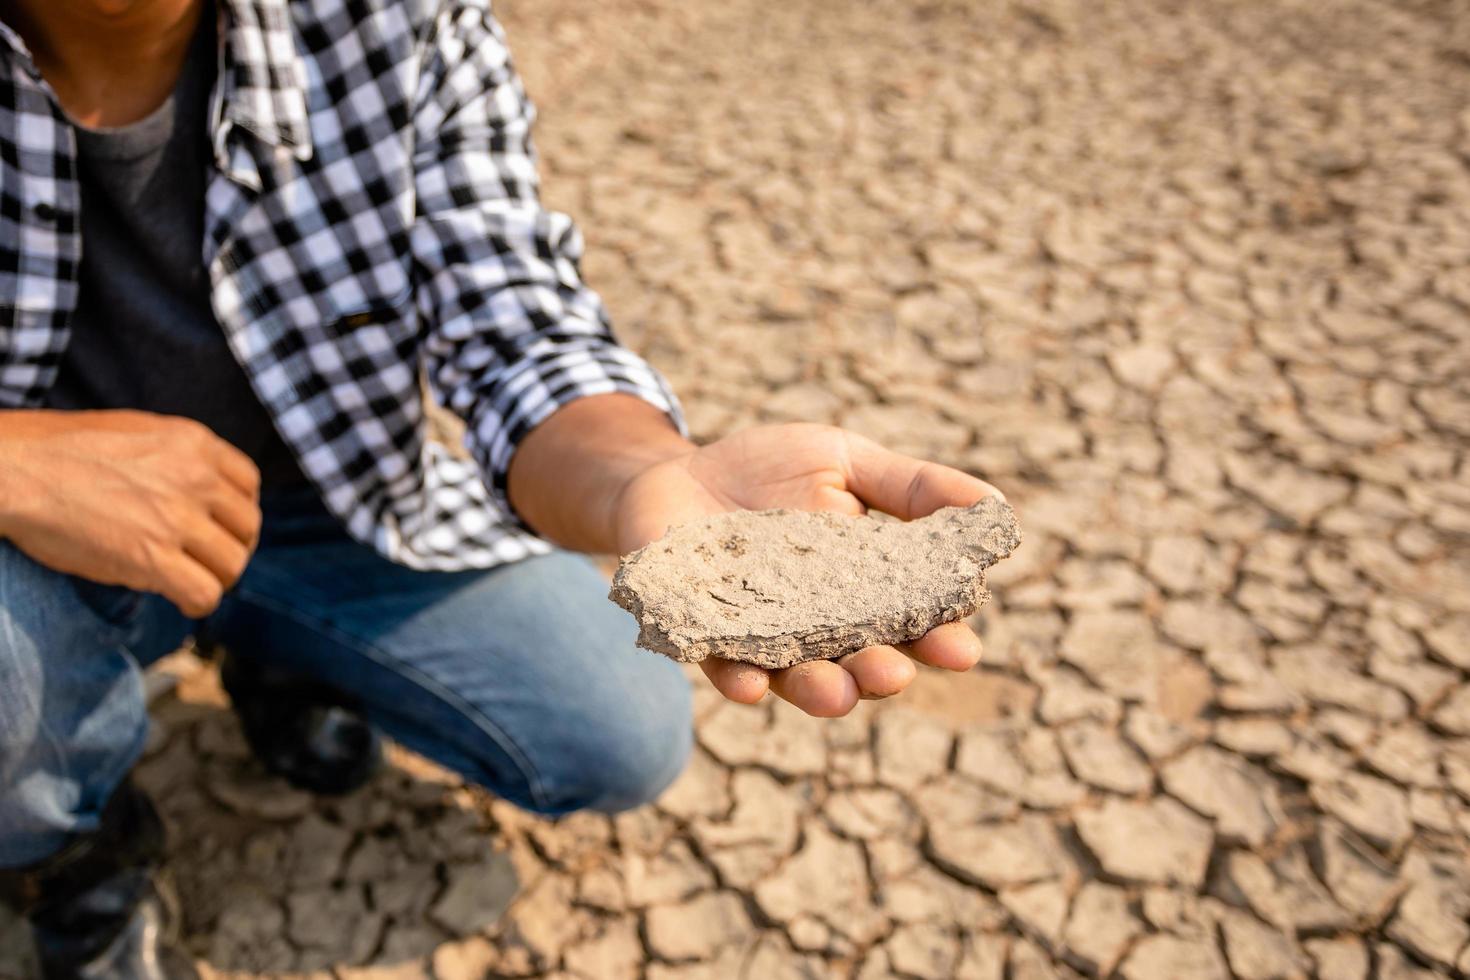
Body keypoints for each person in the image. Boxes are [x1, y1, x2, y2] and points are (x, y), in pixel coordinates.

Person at [0, 0, 1004, 976]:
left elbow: (513, 326)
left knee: (616, 719)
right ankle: (71, 853)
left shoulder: (397, 22)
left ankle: (279, 642)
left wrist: (646, 478)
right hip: (34, 545)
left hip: (332, 502)